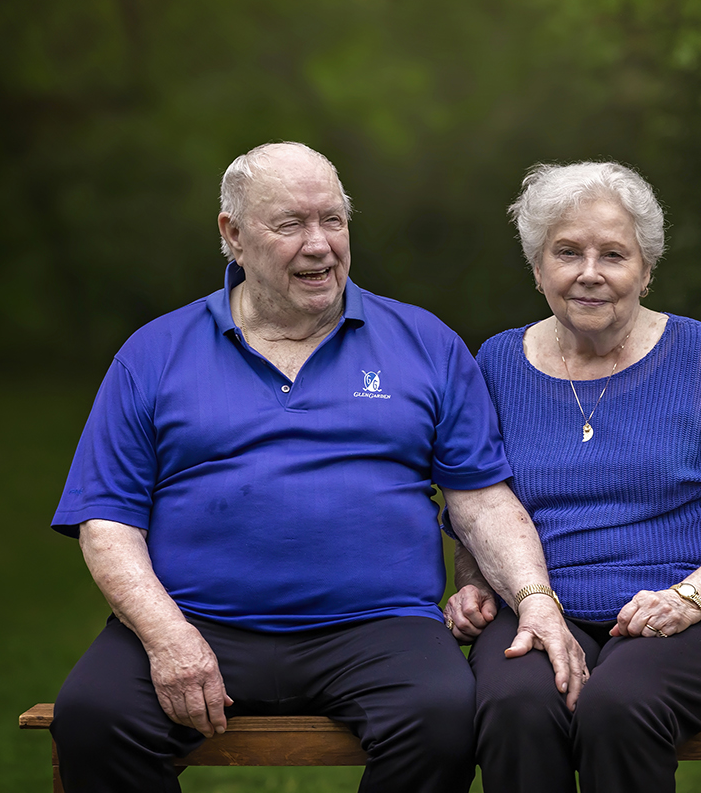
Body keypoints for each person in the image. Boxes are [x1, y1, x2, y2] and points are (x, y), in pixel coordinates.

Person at [49, 142, 586, 793]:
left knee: (442, 716)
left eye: (333, 220)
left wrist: (535, 601)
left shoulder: (423, 343)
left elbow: (481, 499)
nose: (319, 245)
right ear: (234, 235)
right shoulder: (154, 353)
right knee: (93, 718)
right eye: (290, 224)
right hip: (196, 618)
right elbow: (106, 520)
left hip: (381, 626)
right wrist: (168, 637)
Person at [444, 161, 701, 793]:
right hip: (540, 610)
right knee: (515, 706)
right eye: (567, 252)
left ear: (646, 268)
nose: (590, 272)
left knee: (618, 705)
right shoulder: (495, 363)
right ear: (537, 268)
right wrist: (474, 586)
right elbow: (477, 508)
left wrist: (685, 600)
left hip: (690, 621)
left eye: (613, 254)